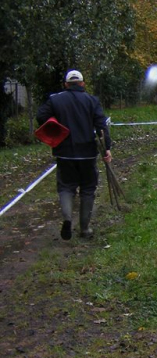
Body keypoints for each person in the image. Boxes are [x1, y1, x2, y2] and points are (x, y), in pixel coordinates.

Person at [36, 70, 112, 240]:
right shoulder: (92, 101)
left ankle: (67, 219)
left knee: (65, 187)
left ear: (66, 84)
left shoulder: (55, 99)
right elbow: (101, 126)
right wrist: (107, 148)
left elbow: (41, 116)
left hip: (64, 152)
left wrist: (55, 123)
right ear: (82, 84)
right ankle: (84, 229)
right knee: (88, 189)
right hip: (87, 153)